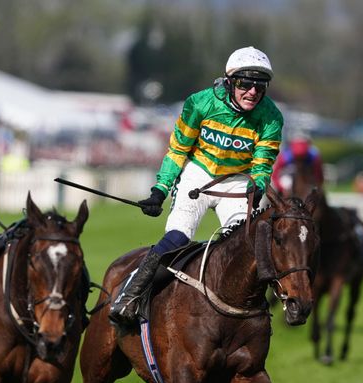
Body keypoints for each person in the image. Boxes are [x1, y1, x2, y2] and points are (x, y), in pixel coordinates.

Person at [109, 46, 284, 325]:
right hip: (198, 174)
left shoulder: (271, 116)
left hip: (237, 181)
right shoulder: (199, 104)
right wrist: (160, 190)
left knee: (246, 246)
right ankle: (130, 293)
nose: (252, 92)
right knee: (178, 238)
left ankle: (251, 314)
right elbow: (178, 151)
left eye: (259, 85)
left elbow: (262, 164)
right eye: (245, 83)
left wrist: (259, 185)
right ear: (229, 82)